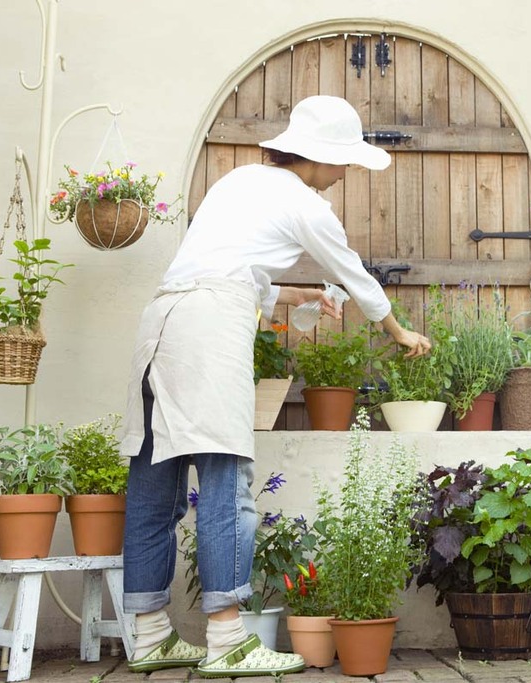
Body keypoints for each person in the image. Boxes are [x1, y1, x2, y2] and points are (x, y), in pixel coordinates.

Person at [120, 95, 431, 677]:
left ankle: (149, 634)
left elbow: (234, 269)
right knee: (224, 478)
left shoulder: (238, 181)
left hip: (161, 322)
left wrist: (299, 296)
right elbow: (354, 273)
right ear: (321, 156)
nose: (344, 174)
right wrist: (398, 329)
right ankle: (227, 638)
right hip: (210, 330)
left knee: (153, 482)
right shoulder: (306, 204)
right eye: (344, 162)